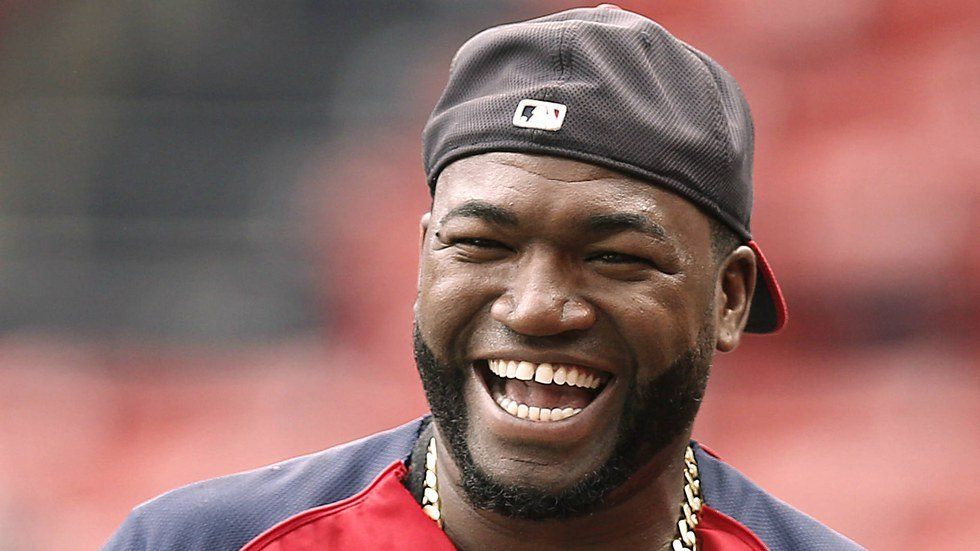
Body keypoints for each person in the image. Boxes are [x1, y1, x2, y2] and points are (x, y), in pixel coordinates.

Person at [105, 6, 862, 550]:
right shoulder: (201, 541)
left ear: (728, 297)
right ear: (423, 259)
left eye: (616, 257)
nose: (534, 308)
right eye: (479, 244)